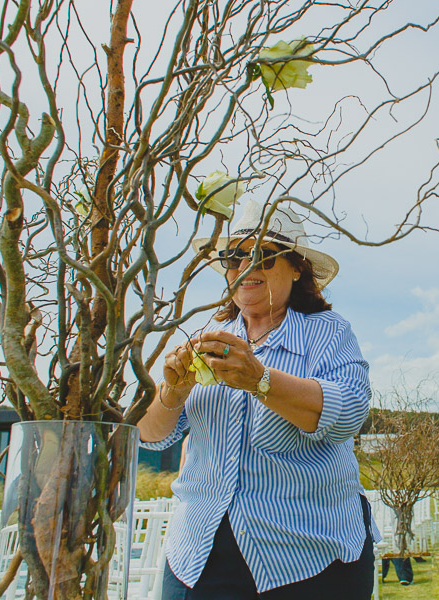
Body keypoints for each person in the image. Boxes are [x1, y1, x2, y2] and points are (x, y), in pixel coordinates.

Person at [139, 199, 377, 600]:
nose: (244, 269)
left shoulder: (328, 333)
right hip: (199, 551)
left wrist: (260, 379)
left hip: (309, 553)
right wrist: (172, 392)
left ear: (297, 267)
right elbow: (150, 436)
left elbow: (349, 412)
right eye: (234, 257)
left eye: (263, 257)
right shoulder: (202, 336)